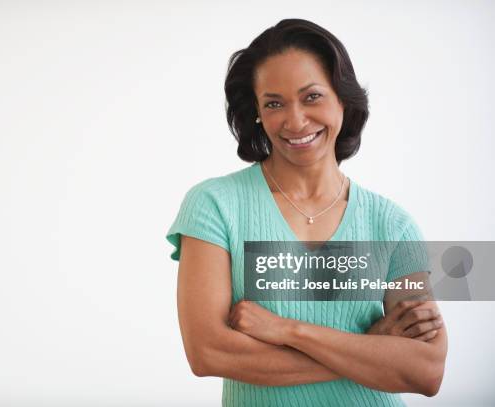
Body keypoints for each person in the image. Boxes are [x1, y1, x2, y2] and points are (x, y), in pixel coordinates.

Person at [166, 18, 447, 406]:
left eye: (312, 96)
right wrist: (372, 349)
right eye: (274, 103)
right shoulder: (214, 206)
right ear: (257, 114)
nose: (295, 121)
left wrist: (287, 330)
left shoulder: (393, 225)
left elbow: (426, 370)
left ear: (343, 100)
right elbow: (209, 352)